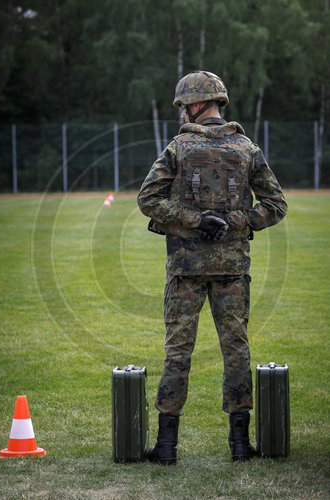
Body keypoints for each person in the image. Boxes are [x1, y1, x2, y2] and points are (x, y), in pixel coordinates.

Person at [137, 70, 287, 465]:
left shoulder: (178, 148)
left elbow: (147, 199)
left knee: (177, 353)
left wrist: (192, 220)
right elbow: (275, 206)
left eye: (185, 105)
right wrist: (236, 222)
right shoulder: (247, 149)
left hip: (185, 269)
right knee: (236, 349)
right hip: (232, 269)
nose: (183, 112)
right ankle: (240, 446)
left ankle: (166, 448)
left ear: (198, 104)